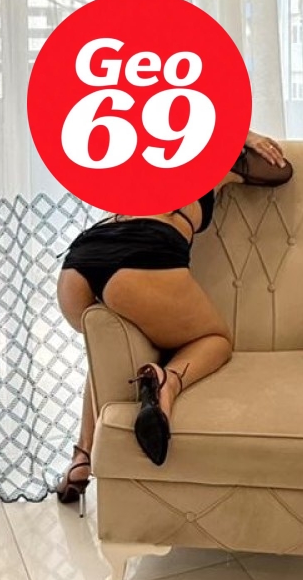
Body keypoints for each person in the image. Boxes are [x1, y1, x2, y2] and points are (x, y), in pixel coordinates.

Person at [54, 130, 290, 507]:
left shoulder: (139, 154)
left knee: (107, 348)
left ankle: (81, 460)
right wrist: (242, 138)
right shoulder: (211, 158)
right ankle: (165, 382)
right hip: (143, 254)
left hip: (79, 263)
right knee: (215, 340)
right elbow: (280, 171)